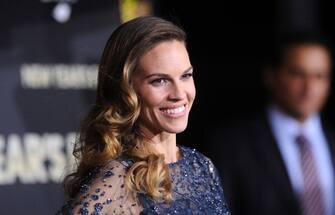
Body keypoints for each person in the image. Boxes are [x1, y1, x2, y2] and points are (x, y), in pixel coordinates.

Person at [56, 16, 230, 215]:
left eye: (186, 76)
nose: (179, 94)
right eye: (159, 81)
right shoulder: (120, 179)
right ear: (125, 89)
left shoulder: (202, 167)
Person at [210, 32, 335, 215]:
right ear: (271, 76)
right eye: (298, 74)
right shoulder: (233, 145)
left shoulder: (332, 139)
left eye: (320, 76)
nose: (310, 88)